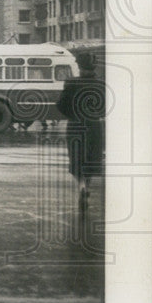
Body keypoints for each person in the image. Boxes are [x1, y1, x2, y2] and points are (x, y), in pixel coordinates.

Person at [56, 51, 105, 209]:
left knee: (77, 159)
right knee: (91, 159)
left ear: (79, 66)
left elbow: (61, 105)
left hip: (76, 125)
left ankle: (82, 186)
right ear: (94, 67)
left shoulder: (71, 83)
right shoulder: (101, 84)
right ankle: (87, 187)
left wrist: (73, 114)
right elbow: (104, 108)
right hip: (94, 126)